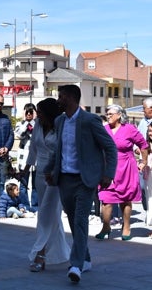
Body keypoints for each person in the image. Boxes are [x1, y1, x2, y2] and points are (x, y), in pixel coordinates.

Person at [44, 85, 117, 283]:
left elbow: (110, 147)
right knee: (73, 221)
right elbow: (57, 150)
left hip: (86, 180)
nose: (58, 100)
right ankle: (85, 258)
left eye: (61, 96)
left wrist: (108, 173)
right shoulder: (59, 121)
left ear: (70, 98)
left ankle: (75, 264)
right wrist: (49, 169)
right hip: (65, 179)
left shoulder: (90, 120)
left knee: (80, 220)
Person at [20, 98, 70, 272]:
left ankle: (39, 254)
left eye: (40, 112)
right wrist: (25, 170)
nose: (37, 115)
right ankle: (64, 253)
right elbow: (32, 149)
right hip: (40, 175)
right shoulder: (38, 127)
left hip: (56, 176)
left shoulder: (61, 127)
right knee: (52, 215)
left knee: (46, 214)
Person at [97, 104, 148, 241]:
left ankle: (126, 227)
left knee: (125, 199)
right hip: (108, 169)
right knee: (106, 199)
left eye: (110, 114)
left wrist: (143, 161)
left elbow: (143, 145)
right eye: (107, 114)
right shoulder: (104, 129)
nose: (108, 116)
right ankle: (106, 226)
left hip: (126, 167)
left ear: (119, 115)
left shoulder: (130, 129)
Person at [15, 103, 38, 211]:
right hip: (23, 159)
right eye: (27, 112)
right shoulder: (20, 124)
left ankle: (35, 205)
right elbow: (19, 134)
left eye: (31, 112)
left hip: (36, 158)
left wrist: (34, 121)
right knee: (23, 184)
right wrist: (25, 121)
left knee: (35, 185)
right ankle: (24, 205)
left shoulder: (38, 124)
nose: (29, 114)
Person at [144, 122, 152, 232]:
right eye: (149, 131)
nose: (151, 133)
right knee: (150, 200)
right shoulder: (146, 145)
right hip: (149, 175)